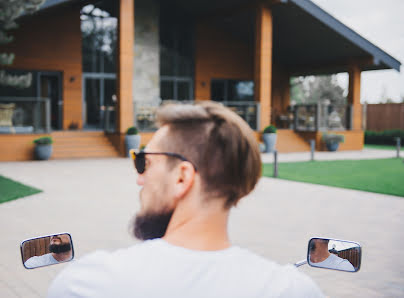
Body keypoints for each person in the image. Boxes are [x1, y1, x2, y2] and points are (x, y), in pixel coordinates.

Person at [47, 101, 323, 297]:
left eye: (144, 162)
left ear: (182, 177)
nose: (139, 178)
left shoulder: (87, 284)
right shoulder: (292, 289)